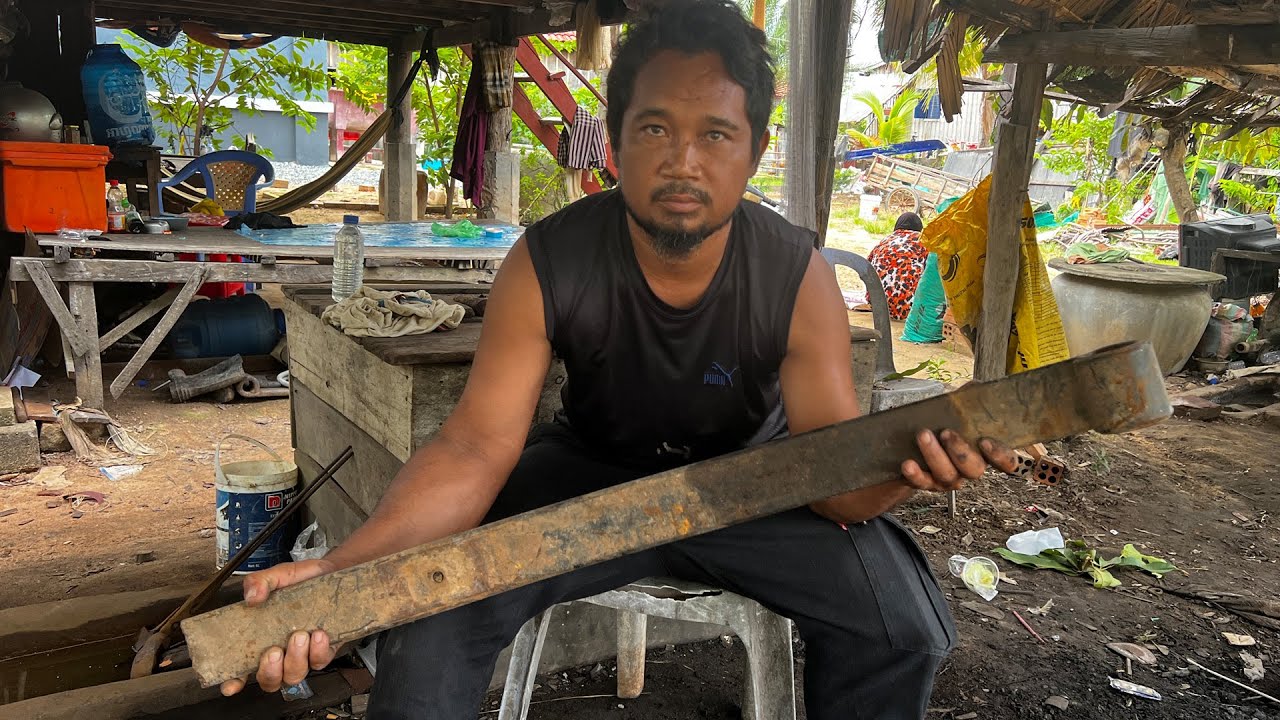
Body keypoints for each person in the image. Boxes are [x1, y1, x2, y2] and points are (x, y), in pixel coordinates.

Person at [220, 3, 1016, 718]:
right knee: (427, 631)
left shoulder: (797, 277)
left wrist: (906, 473)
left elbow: (837, 483)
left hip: (758, 484)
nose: (683, 161)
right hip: (587, 471)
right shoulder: (548, 260)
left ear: (755, 149)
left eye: (715, 134)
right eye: (655, 129)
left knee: (904, 630)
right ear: (616, 137)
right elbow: (474, 446)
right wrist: (347, 572)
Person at [868, 211, 929, 320]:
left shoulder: (885, 240)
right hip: (910, 309)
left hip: (878, 306)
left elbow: (867, 266)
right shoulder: (923, 241)